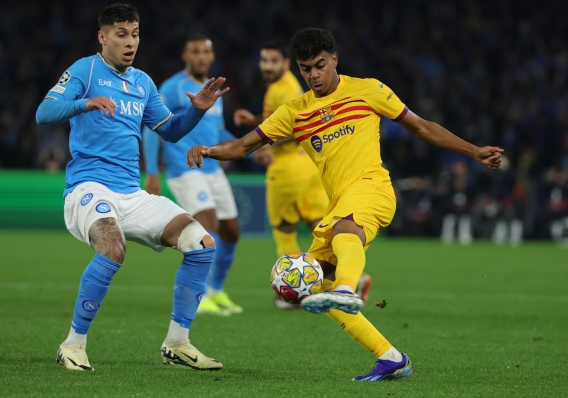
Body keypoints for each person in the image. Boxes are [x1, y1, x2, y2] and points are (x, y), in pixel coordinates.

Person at [186, 28, 503, 381]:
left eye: (320, 65)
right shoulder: (295, 111)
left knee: (344, 232)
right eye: (306, 69)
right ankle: (391, 357)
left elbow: (422, 127)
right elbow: (245, 145)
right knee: (316, 285)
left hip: (373, 189)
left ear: (334, 59)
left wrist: (474, 150)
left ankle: (348, 289)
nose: (314, 75)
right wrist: (209, 150)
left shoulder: (368, 89)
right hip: (339, 201)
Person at [35, 3, 229, 371]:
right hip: (88, 188)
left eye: (135, 34)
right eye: (121, 34)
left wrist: (198, 109)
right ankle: (73, 345)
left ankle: (178, 343)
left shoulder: (142, 82)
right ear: (102, 36)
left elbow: (170, 130)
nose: (130, 42)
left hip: (132, 193)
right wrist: (85, 103)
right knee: (113, 248)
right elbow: (44, 113)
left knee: (201, 242)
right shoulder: (85, 69)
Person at [233, 42, 371, 309]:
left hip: (286, 171)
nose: (267, 66)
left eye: (273, 61)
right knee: (321, 231)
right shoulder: (291, 87)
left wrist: (263, 146)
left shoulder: (281, 89)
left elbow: (291, 129)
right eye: (264, 60)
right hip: (309, 169)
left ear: (286, 63)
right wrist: (255, 121)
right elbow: (279, 121)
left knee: (284, 230)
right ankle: (354, 277)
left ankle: (292, 291)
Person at [143, 34, 242, 316]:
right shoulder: (173, 87)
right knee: (207, 219)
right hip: (184, 167)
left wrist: (248, 146)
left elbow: (217, 131)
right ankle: (200, 295)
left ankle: (217, 290)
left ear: (212, 57)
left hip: (212, 168)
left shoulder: (214, 90)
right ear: (185, 57)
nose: (201, 57)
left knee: (232, 231)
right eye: (195, 52)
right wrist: (151, 171)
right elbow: (151, 128)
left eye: (205, 52)